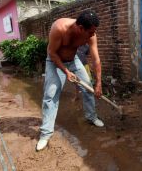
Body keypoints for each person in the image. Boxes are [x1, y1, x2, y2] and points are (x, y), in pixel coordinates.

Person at [36, 10, 104, 151]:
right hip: (55, 61)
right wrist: (66, 72)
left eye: (94, 32)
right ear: (80, 28)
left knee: (88, 87)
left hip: (74, 60)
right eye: (90, 32)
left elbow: (96, 59)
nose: (93, 35)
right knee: (51, 94)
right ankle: (45, 134)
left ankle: (91, 117)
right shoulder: (59, 28)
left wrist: (99, 83)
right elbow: (52, 53)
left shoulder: (91, 33)